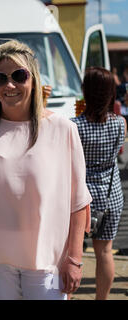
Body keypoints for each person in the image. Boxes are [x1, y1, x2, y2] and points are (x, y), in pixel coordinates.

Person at [0, 40, 91, 300]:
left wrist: (74, 259)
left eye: (19, 76)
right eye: (0, 78)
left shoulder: (64, 130)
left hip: (48, 259)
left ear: (34, 79)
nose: (10, 85)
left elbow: (78, 203)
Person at [71, 67, 126, 300]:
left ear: (85, 91)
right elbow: (119, 153)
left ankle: (66, 296)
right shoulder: (120, 123)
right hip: (111, 194)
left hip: (80, 198)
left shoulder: (74, 125)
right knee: (104, 252)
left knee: (71, 253)